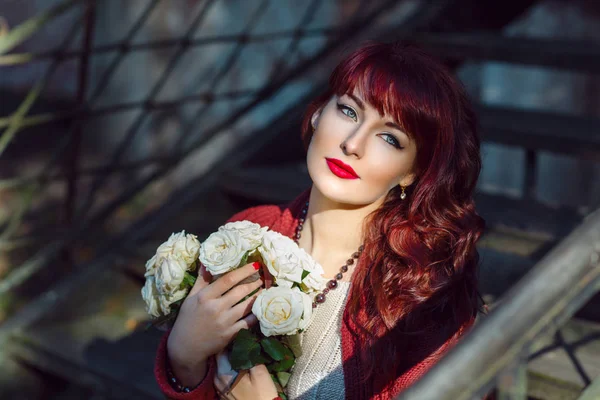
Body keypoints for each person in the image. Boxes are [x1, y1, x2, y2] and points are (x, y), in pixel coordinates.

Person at [154, 41, 486, 399]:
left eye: (390, 138)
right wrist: (185, 357)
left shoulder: (421, 299)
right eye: (348, 111)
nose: (353, 143)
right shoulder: (246, 233)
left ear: (412, 173)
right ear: (317, 115)